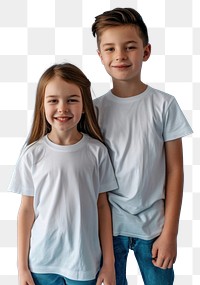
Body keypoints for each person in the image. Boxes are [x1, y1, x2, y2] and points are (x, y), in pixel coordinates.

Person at [91, 7, 193, 285]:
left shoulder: (164, 104)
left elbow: (175, 171)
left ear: (146, 51)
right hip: (109, 229)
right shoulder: (94, 110)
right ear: (100, 56)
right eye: (110, 49)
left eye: (130, 47)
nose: (120, 55)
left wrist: (171, 232)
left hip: (155, 227)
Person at [8, 63, 118, 285]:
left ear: (84, 105)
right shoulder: (32, 154)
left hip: (84, 262)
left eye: (72, 99)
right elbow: (26, 211)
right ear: (42, 105)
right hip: (41, 263)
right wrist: (21, 268)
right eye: (53, 100)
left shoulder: (97, 152)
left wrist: (109, 263)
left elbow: (103, 207)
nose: (62, 108)